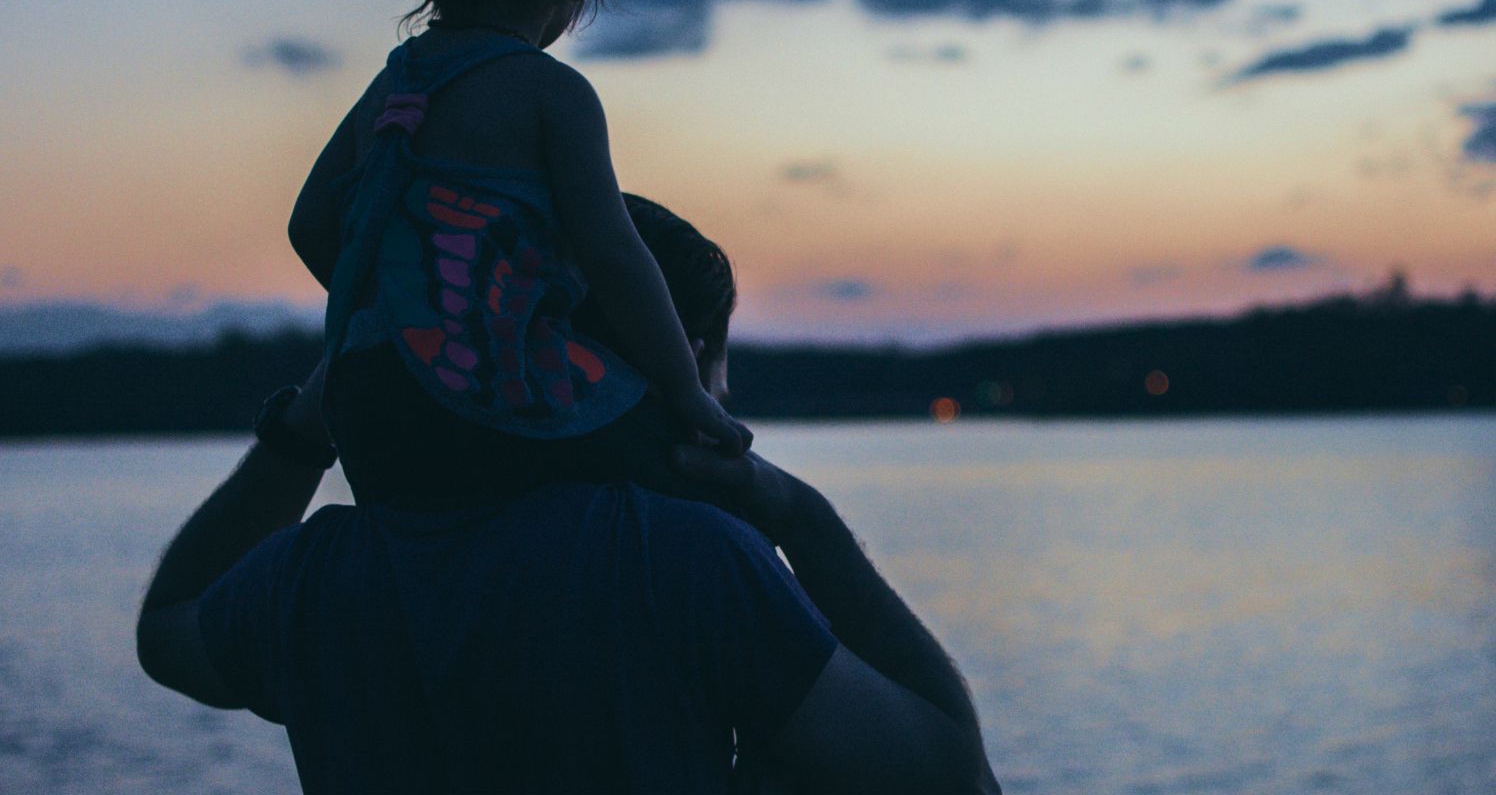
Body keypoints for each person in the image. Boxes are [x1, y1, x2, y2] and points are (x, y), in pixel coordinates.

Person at [137, 199, 1002, 794]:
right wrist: (800, 517)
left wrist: (310, 421)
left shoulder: (317, 576)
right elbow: (955, 776)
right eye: (714, 370)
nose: (725, 404)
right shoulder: (685, 562)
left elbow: (168, 629)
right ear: (674, 364)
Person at [289, 0, 748, 515]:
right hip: (492, 399)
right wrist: (685, 389)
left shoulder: (394, 87)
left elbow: (310, 227)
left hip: (366, 407)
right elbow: (615, 255)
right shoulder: (551, 94)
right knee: (697, 480)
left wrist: (409, 306)